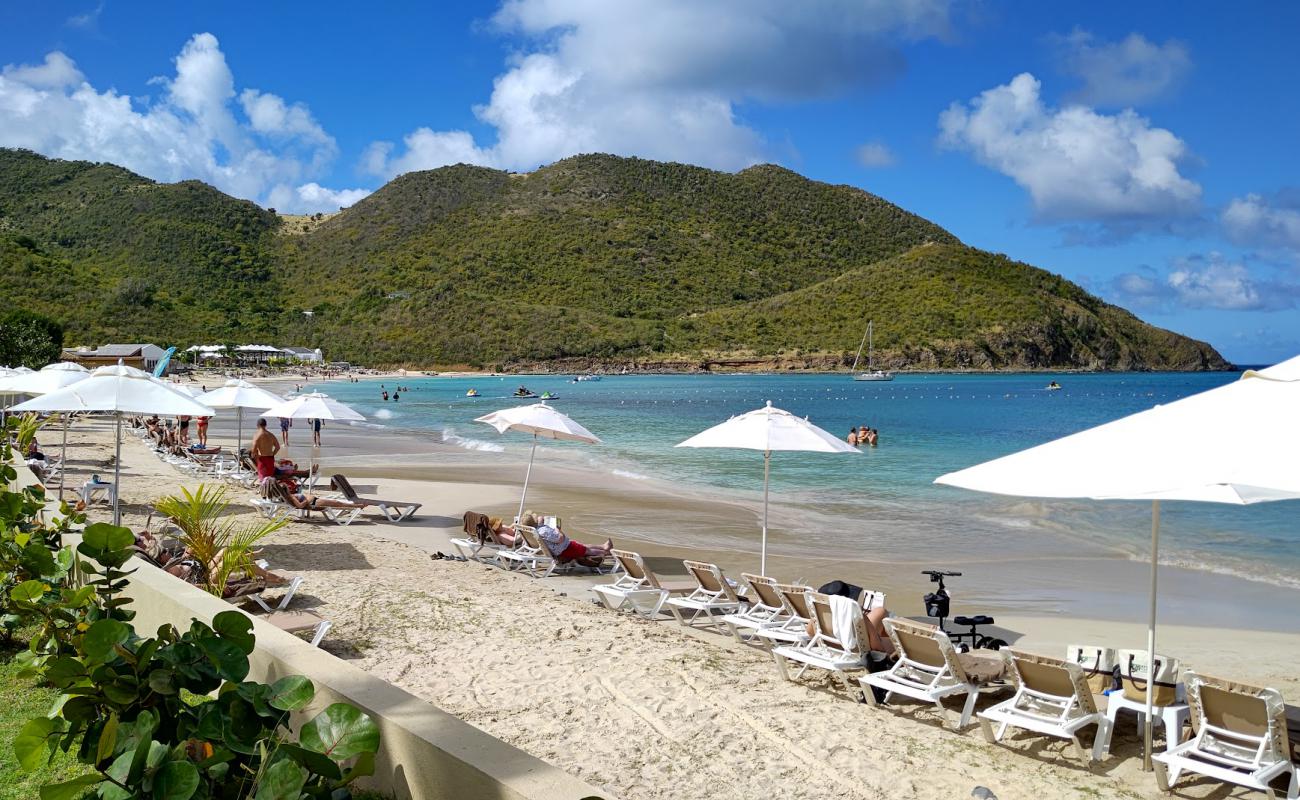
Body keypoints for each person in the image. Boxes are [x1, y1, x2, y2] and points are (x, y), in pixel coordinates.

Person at [814, 580, 894, 656]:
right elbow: (876, 647)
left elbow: (810, 631)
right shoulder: (861, 617)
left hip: (830, 643)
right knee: (880, 611)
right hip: (855, 648)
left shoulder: (819, 612)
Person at [522, 513, 612, 567]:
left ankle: (603, 546)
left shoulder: (533, 531)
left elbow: (540, 520)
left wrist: (541, 520)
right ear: (534, 522)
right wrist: (558, 529)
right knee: (586, 550)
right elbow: (560, 539)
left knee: (582, 546)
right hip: (564, 549)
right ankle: (606, 552)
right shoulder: (543, 531)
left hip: (561, 548)